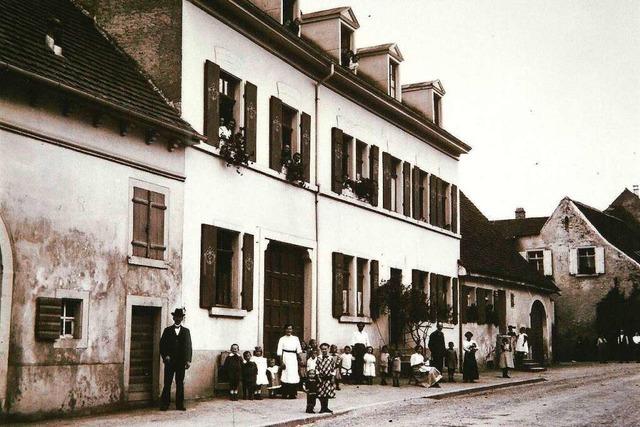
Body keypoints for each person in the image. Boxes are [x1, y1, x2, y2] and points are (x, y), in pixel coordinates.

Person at [159, 308, 192, 411]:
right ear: (173, 318)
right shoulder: (167, 330)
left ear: (182, 318)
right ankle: (165, 404)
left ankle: (179, 405)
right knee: (167, 383)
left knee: (180, 383)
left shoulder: (186, 331)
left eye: (180, 317)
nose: (178, 319)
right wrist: (165, 356)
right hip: (170, 362)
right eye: (176, 317)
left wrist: (188, 360)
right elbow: (162, 345)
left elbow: (188, 346)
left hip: (181, 362)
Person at [276, 324, 303, 399]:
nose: (289, 330)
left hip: (293, 358)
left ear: (292, 330)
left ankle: (292, 394)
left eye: (290, 329)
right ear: (285, 330)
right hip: (286, 357)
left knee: (293, 374)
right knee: (286, 374)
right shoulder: (282, 339)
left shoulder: (296, 338)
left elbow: (298, 351)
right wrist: (281, 362)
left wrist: (300, 360)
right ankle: (285, 393)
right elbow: (279, 352)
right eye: (287, 329)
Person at [316, 343, 336, 413]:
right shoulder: (318, 358)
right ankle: (322, 408)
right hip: (321, 378)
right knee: (321, 393)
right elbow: (317, 368)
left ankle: (326, 407)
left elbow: (333, 368)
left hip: (328, 377)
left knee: (327, 393)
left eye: (325, 349)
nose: (324, 350)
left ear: (328, 349)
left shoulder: (331, 358)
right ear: (320, 350)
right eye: (322, 349)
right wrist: (318, 376)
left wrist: (333, 377)